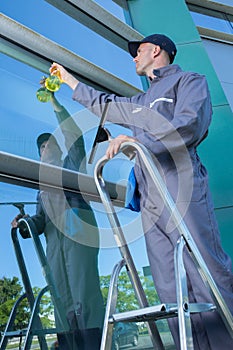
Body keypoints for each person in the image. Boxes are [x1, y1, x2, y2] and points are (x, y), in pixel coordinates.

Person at [48, 34, 233, 349]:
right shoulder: (139, 102)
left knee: (203, 269)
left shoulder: (189, 82)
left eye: (138, 52)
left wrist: (137, 143)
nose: (134, 58)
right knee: (167, 285)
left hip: (180, 184)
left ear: (156, 50)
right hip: (149, 198)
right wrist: (68, 80)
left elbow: (188, 125)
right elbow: (104, 105)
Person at [11, 93, 105, 350]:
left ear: (59, 148)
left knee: (83, 292)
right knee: (60, 294)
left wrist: (56, 106)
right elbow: (39, 222)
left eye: (49, 144)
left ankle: (94, 344)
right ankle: (68, 345)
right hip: (55, 244)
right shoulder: (40, 189)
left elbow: (75, 139)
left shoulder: (71, 164)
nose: (45, 148)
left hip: (77, 234)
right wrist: (23, 224)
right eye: (41, 147)